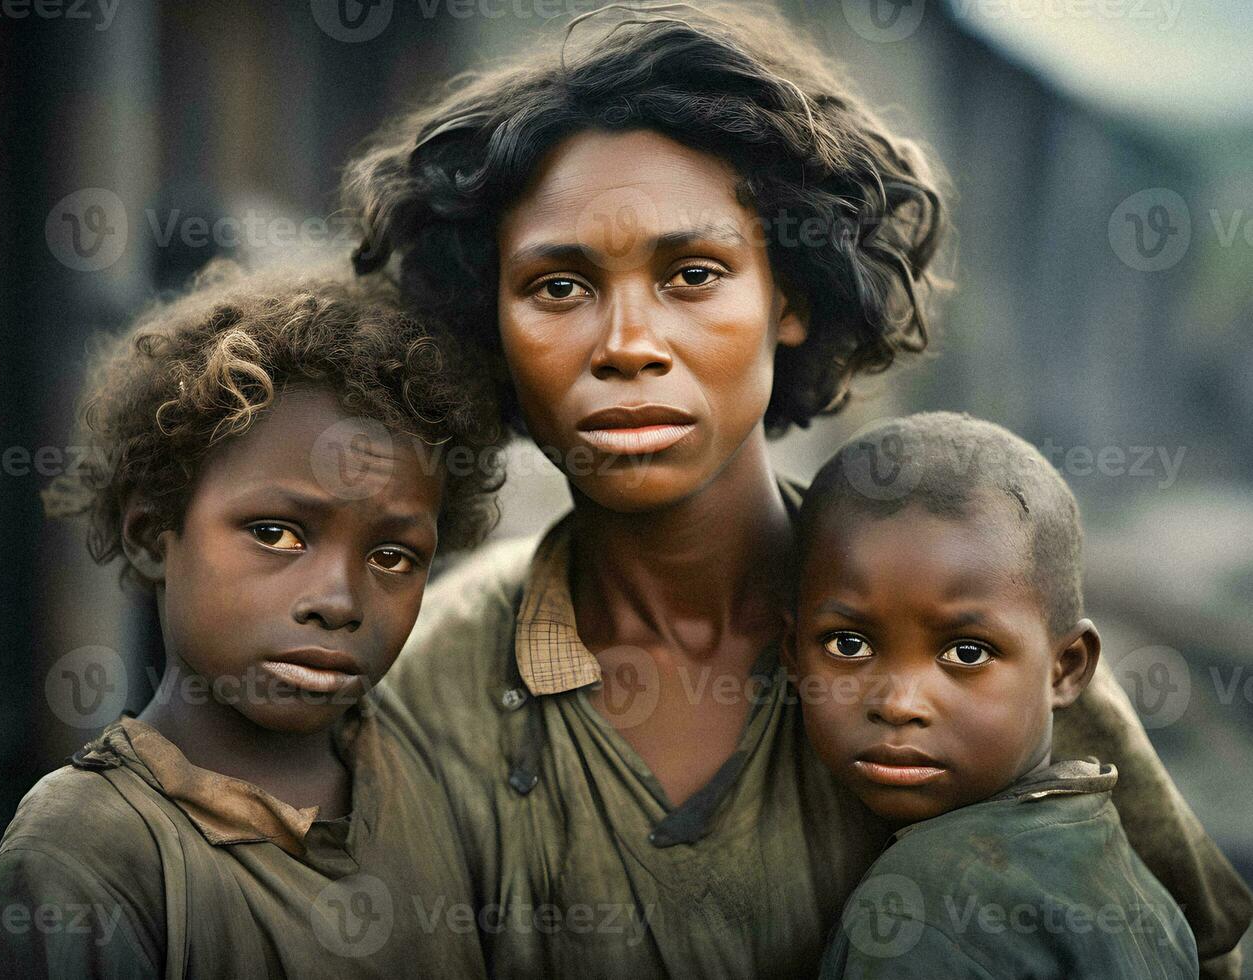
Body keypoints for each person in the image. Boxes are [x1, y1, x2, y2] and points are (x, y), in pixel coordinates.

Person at [343, 5, 1252, 977]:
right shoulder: (426, 685)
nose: (623, 344)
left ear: (790, 298)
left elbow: (1185, 946)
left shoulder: (971, 622)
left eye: (691, 273)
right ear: (492, 322)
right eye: (558, 286)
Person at [0, 263, 500, 979]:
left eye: (391, 554)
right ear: (151, 534)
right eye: (277, 534)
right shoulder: (91, 847)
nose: (339, 600)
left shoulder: (431, 769)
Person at [789, 412, 1198, 979]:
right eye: (849, 643)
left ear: (1066, 669)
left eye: (966, 653)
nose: (899, 703)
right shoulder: (1144, 892)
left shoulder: (920, 909)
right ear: (792, 655)